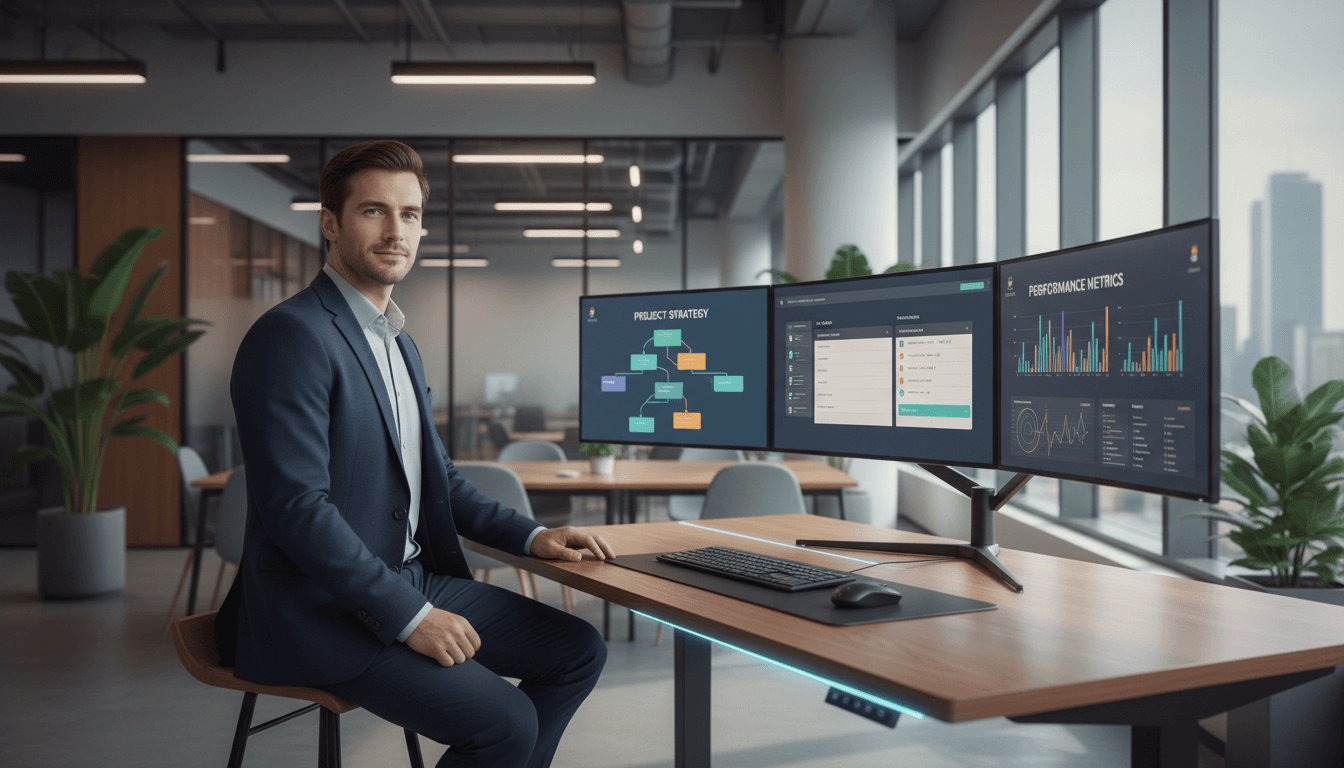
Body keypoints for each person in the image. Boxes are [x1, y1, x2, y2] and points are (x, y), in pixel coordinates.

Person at [216, 140, 614, 768]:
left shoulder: (397, 342)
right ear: (331, 223)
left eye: (409, 214)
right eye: (374, 211)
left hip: (408, 578)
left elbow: (441, 482)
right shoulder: (292, 336)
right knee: (505, 723)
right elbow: (297, 509)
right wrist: (411, 616)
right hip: (322, 609)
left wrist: (534, 538)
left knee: (578, 649)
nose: (395, 230)